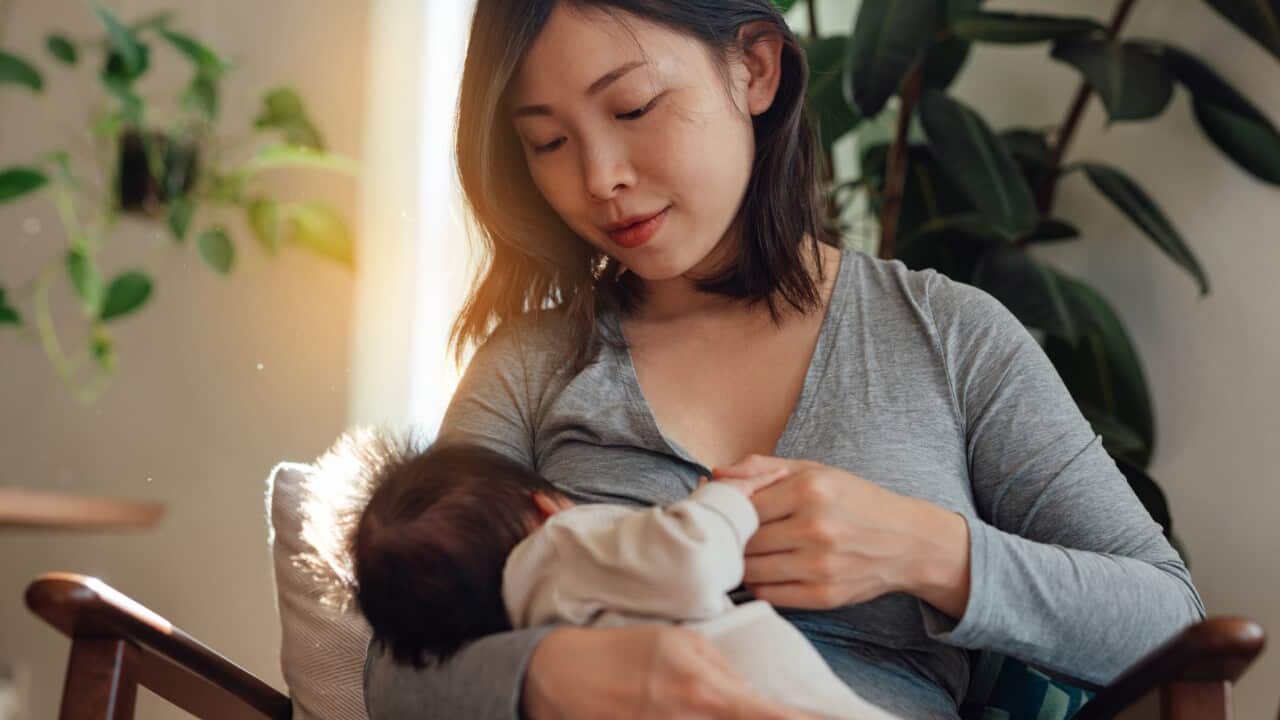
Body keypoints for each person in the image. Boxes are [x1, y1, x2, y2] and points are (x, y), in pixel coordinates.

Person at [364, 0, 1208, 718]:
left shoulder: (950, 335)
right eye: (548, 142)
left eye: (633, 107)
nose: (599, 177)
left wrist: (927, 550)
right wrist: (552, 675)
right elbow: (394, 668)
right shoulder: (530, 366)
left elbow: (1171, 622)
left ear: (756, 70)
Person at [350, 441, 902, 720]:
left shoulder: (526, 616)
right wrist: (723, 503)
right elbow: (689, 561)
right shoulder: (559, 544)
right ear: (544, 505)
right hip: (759, 684)